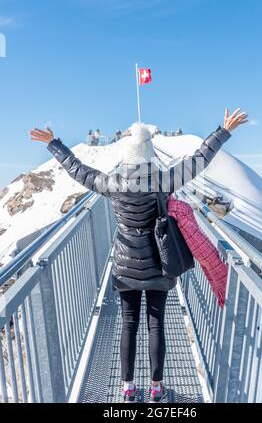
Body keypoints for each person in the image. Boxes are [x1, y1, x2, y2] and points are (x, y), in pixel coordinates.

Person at [29, 108, 248, 403]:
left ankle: (128, 388)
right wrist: (223, 131)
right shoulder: (163, 181)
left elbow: (78, 170)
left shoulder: (112, 183)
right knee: (156, 324)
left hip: (125, 267)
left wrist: (53, 143)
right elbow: (199, 161)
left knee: (129, 324)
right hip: (160, 265)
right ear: (148, 155)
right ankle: (157, 388)